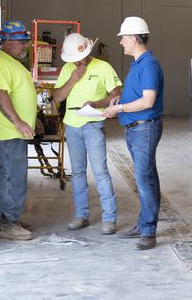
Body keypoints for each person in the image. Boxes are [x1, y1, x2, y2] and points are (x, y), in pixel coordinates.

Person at [102, 16, 164, 250]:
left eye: (124, 38)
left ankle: (148, 231)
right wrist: (122, 99)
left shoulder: (148, 64)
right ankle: (144, 223)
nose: (120, 42)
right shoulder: (138, 64)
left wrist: (117, 108)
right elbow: (139, 95)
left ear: (135, 38)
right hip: (137, 128)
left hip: (144, 129)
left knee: (145, 179)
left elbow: (148, 100)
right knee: (148, 178)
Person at [53, 33, 123, 235]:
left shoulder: (103, 68)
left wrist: (97, 104)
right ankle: (81, 215)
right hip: (72, 126)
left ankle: (109, 218)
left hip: (93, 124)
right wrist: (73, 80)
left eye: (78, 59)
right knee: (77, 173)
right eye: (72, 60)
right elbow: (57, 97)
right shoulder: (68, 69)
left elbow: (117, 95)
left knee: (100, 171)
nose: (76, 63)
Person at [0, 20, 38, 241]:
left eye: (25, 41)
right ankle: (7, 223)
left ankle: (9, 218)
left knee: (14, 178)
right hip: (6, 135)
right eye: (20, 41)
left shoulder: (10, 62)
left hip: (13, 135)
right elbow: (0, 94)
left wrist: (33, 120)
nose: (24, 45)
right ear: (5, 41)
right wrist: (18, 122)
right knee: (9, 179)